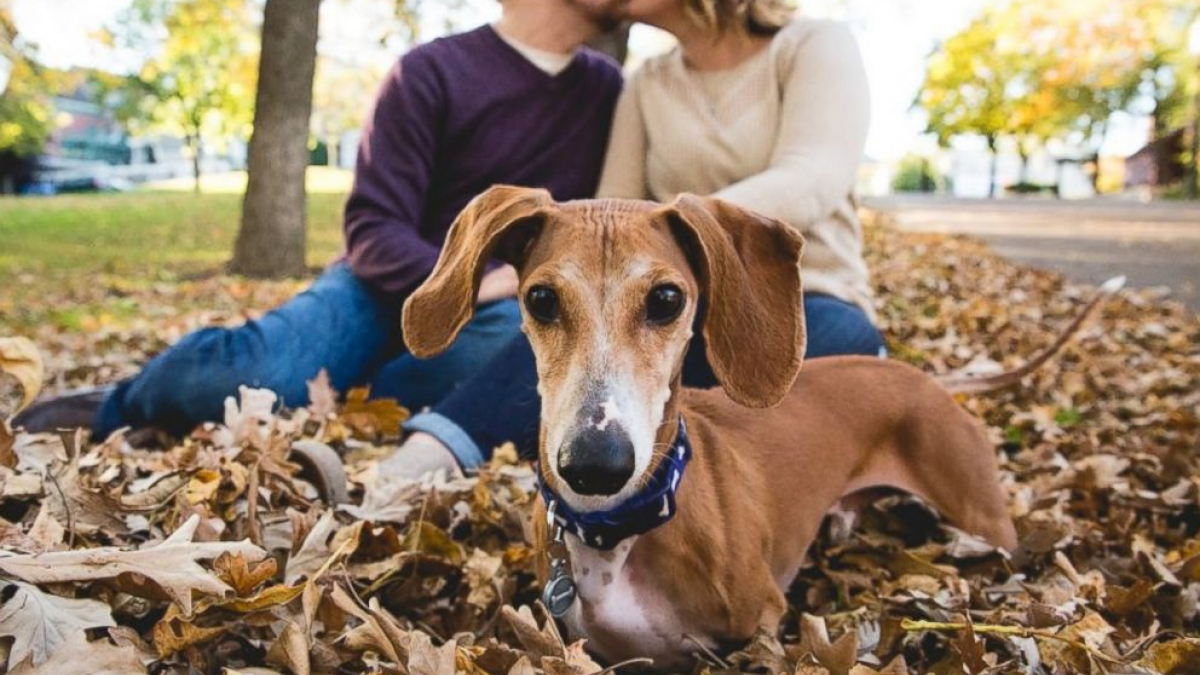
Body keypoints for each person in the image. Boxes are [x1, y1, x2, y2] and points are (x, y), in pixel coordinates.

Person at [15, 0, 625, 441]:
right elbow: (373, 230)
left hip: (505, 315)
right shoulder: (431, 71)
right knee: (252, 376)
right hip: (379, 290)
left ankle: (346, 402)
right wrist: (475, 280)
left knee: (503, 367)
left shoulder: (613, 95)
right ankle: (122, 403)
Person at [373, 0, 885, 482]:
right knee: (579, 330)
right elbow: (612, 207)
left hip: (805, 298)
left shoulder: (814, 45)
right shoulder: (646, 82)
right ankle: (438, 448)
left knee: (836, 340)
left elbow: (812, 177)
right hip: (655, 298)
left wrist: (684, 233)